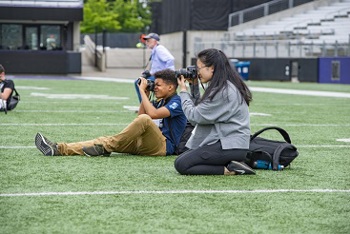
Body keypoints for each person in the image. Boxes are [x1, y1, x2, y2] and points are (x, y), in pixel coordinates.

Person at [35, 69, 187, 157]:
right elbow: (140, 116)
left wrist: (140, 90)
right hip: (144, 144)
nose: (155, 88)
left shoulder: (177, 101)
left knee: (143, 120)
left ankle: (108, 146)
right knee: (104, 140)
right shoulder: (158, 101)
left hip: (163, 147)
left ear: (171, 88)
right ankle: (58, 149)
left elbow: (150, 116)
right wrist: (145, 95)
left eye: (158, 85)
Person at [174, 48, 255, 176]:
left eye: (199, 68)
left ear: (211, 68)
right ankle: (232, 164)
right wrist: (194, 86)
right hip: (228, 143)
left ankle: (230, 170)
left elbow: (194, 117)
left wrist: (183, 92)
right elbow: (200, 109)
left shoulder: (223, 91)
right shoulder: (223, 86)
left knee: (182, 164)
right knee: (186, 155)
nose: (197, 72)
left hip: (230, 145)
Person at [134, 33, 175, 102]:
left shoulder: (159, 49)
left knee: (139, 82)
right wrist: (149, 73)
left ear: (155, 41)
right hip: (157, 76)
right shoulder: (155, 50)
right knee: (139, 82)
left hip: (161, 77)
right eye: (146, 41)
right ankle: (145, 105)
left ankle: (144, 106)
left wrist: (168, 75)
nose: (147, 43)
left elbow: (170, 59)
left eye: (148, 41)